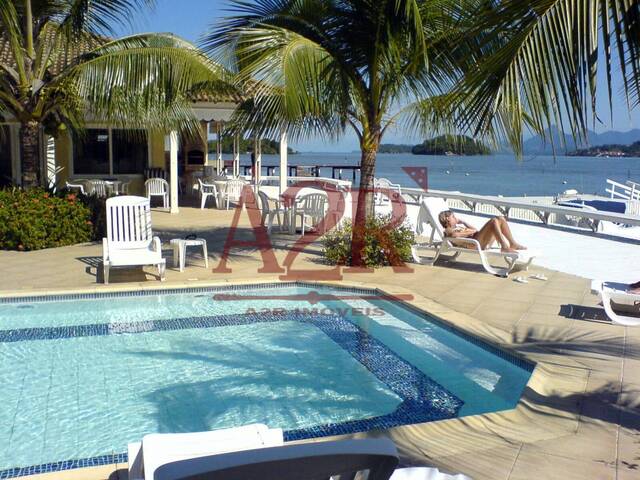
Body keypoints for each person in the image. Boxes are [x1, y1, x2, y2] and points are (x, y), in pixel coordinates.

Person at [438, 210, 526, 253]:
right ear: (447, 219)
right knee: (493, 221)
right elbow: (453, 235)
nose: (456, 218)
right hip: (474, 245)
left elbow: (475, 230)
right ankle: (504, 247)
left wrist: (464, 223)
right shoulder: (448, 230)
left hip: (478, 241)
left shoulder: (458, 226)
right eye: (453, 217)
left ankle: (512, 243)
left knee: (500, 218)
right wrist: (470, 232)